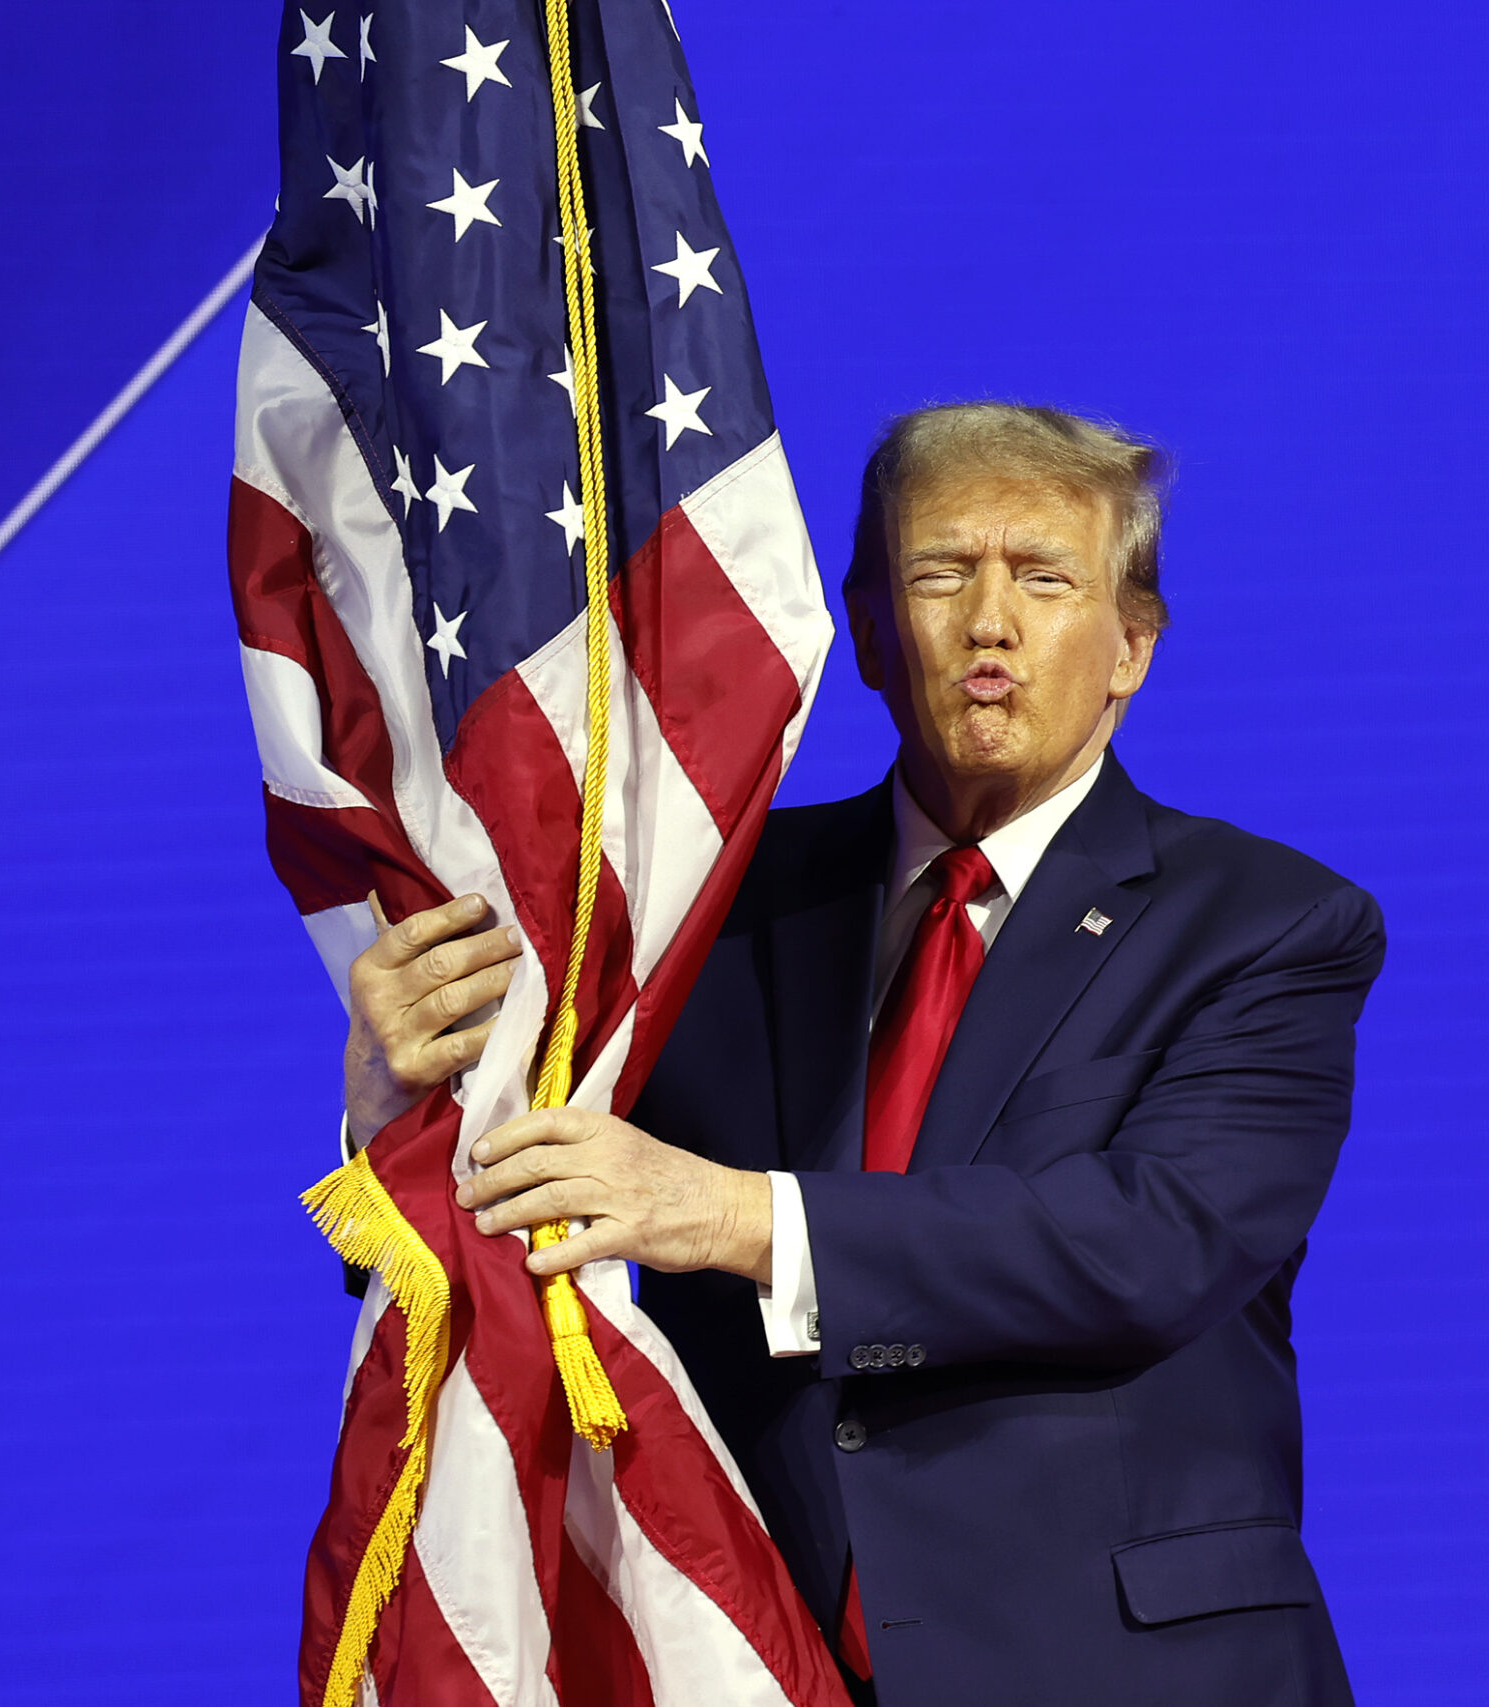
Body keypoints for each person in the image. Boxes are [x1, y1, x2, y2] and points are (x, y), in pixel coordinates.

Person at [341, 403, 1385, 1705]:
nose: (990, 623)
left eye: (1043, 579)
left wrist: (731, 1217)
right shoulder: (700, 911)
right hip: (755, 1658)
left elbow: (1149, 1244)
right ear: (872, 634)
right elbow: (509, 1217)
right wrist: (400, 1105)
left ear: (1132, 647)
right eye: (941, 574)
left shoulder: (1266, 923)